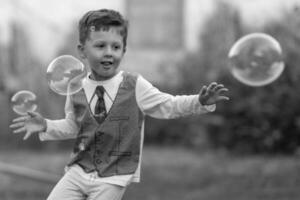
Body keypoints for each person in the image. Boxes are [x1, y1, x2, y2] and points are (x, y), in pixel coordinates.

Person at [10, 9, 229, 200]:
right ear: (82, 50)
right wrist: (46, 125)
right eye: (100, 45)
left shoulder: (135, 85)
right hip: (78, 170)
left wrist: (200, 102)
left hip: (114, 176)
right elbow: (74, 127)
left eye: (116, 47)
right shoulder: (75, 88)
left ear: (123, 51)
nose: (108, 52)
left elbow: (169, 105)